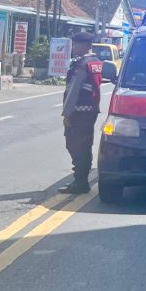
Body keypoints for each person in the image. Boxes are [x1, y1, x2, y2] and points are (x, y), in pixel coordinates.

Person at [60, 33, 101, 194]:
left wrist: (66, 113)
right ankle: (82, 181)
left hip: (79, 111)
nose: (74, 48)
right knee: (85, 145)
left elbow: (73, 90)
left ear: (85, 45)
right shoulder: (96, 62)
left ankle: (80, 182)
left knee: (75, 145)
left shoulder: (82, 64)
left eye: (76, 45)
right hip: (91, 110)